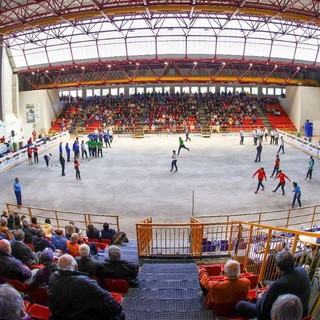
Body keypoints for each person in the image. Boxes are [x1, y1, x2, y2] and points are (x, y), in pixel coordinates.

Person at [236, 250, 311, 320]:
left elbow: (262, 308)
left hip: (282, 316)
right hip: (302, 314)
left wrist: (259, 297)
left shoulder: (278, 284)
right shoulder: (302, 271)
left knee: (240, 304)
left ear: (278, 268)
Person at [48, 254, 125, 320]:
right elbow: (112, 305)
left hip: (60, 315)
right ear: (75, 266)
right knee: (121, 315)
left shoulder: (52, 277)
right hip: (80, 316)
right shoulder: (83, 282)